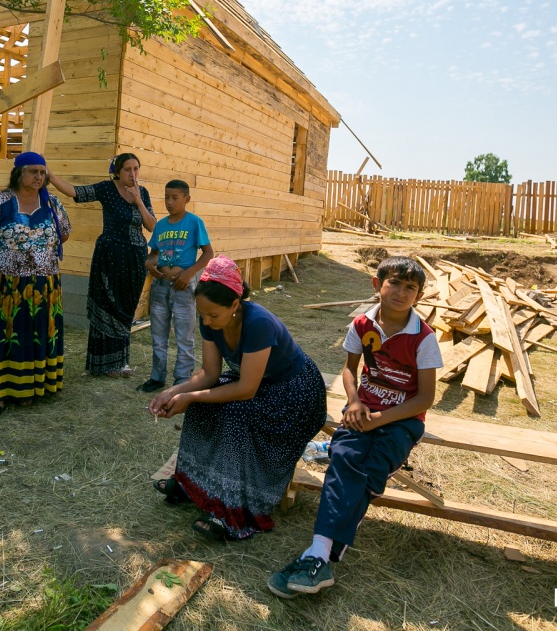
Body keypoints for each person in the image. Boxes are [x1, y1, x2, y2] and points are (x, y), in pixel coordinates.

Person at [267, 256, 440, 599]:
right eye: (394, 283)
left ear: (418, 296)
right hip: (362, 410)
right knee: (345, 456)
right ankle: (320, 556)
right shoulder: (362, 324)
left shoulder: (423, 338)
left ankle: (318, 556)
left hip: (403, 419)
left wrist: (380, 419)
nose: (401, 292)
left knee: (367, 468)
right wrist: (355, 401)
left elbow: (424, 399)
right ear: (377, 285)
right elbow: (350, 370)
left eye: (411, 288)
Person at [148, 257, 327, 541]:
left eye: (212, 316)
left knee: (235, 414)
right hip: (258, 383)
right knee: (201, 407)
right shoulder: (211, 318)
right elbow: (209, 374)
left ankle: (230, 509)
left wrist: (192, 396)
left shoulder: (259, 324)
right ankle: (190, 484)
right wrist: (174, 392)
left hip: (295, 393)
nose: (206, 321)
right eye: (202, 315)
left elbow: (246, 390)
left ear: (234, 305)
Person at [0, 152, 71, 421]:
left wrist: (39, 251)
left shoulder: (51, 201)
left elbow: (64, 231)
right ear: (18, 173)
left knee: (36, 333)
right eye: (33, 172)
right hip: (7, 283)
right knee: (8, 335)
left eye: (42, 172)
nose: (39, 177)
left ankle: (30, 386)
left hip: (44, 284)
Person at [47, 153, 154, 378]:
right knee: (107, 305)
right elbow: (76, 192)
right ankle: (103, 364)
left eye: (136, 169)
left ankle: (122, 362)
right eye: (127, 169)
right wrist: (50, 175)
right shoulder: (107, 189)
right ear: (117, 171)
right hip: (110, 255)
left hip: (135, 258)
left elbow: (152, 226)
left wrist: (139, 201)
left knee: (126, 309)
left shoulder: (142, 192)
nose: (133, 174)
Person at [138, 179, 213, 393]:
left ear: (186, 199)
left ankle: (182, 380)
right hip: (161, 286)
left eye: (175, 198)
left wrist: (189, 274)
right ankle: (157, 376)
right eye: (166, 197)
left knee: (184, 336)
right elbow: (153, 254)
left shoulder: (194, 222)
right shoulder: (160, 225)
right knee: (158, 335)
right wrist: (149, 264)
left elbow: (208, 253)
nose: (169, 202)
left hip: (183, 288)